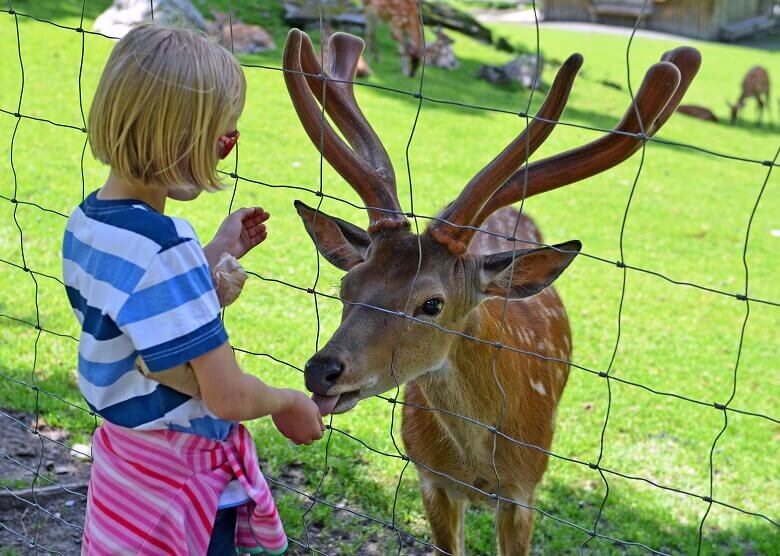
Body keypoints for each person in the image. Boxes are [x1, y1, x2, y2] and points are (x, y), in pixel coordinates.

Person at [62, 23, 324, 555]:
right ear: (183, 141)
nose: (227, 152)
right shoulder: (165, 245)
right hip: (179, 482)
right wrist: (286, 401)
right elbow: (225, 396)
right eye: (226, 139)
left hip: (124, 465)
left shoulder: (89, 223)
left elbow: (136, 312)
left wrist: (211, 256)